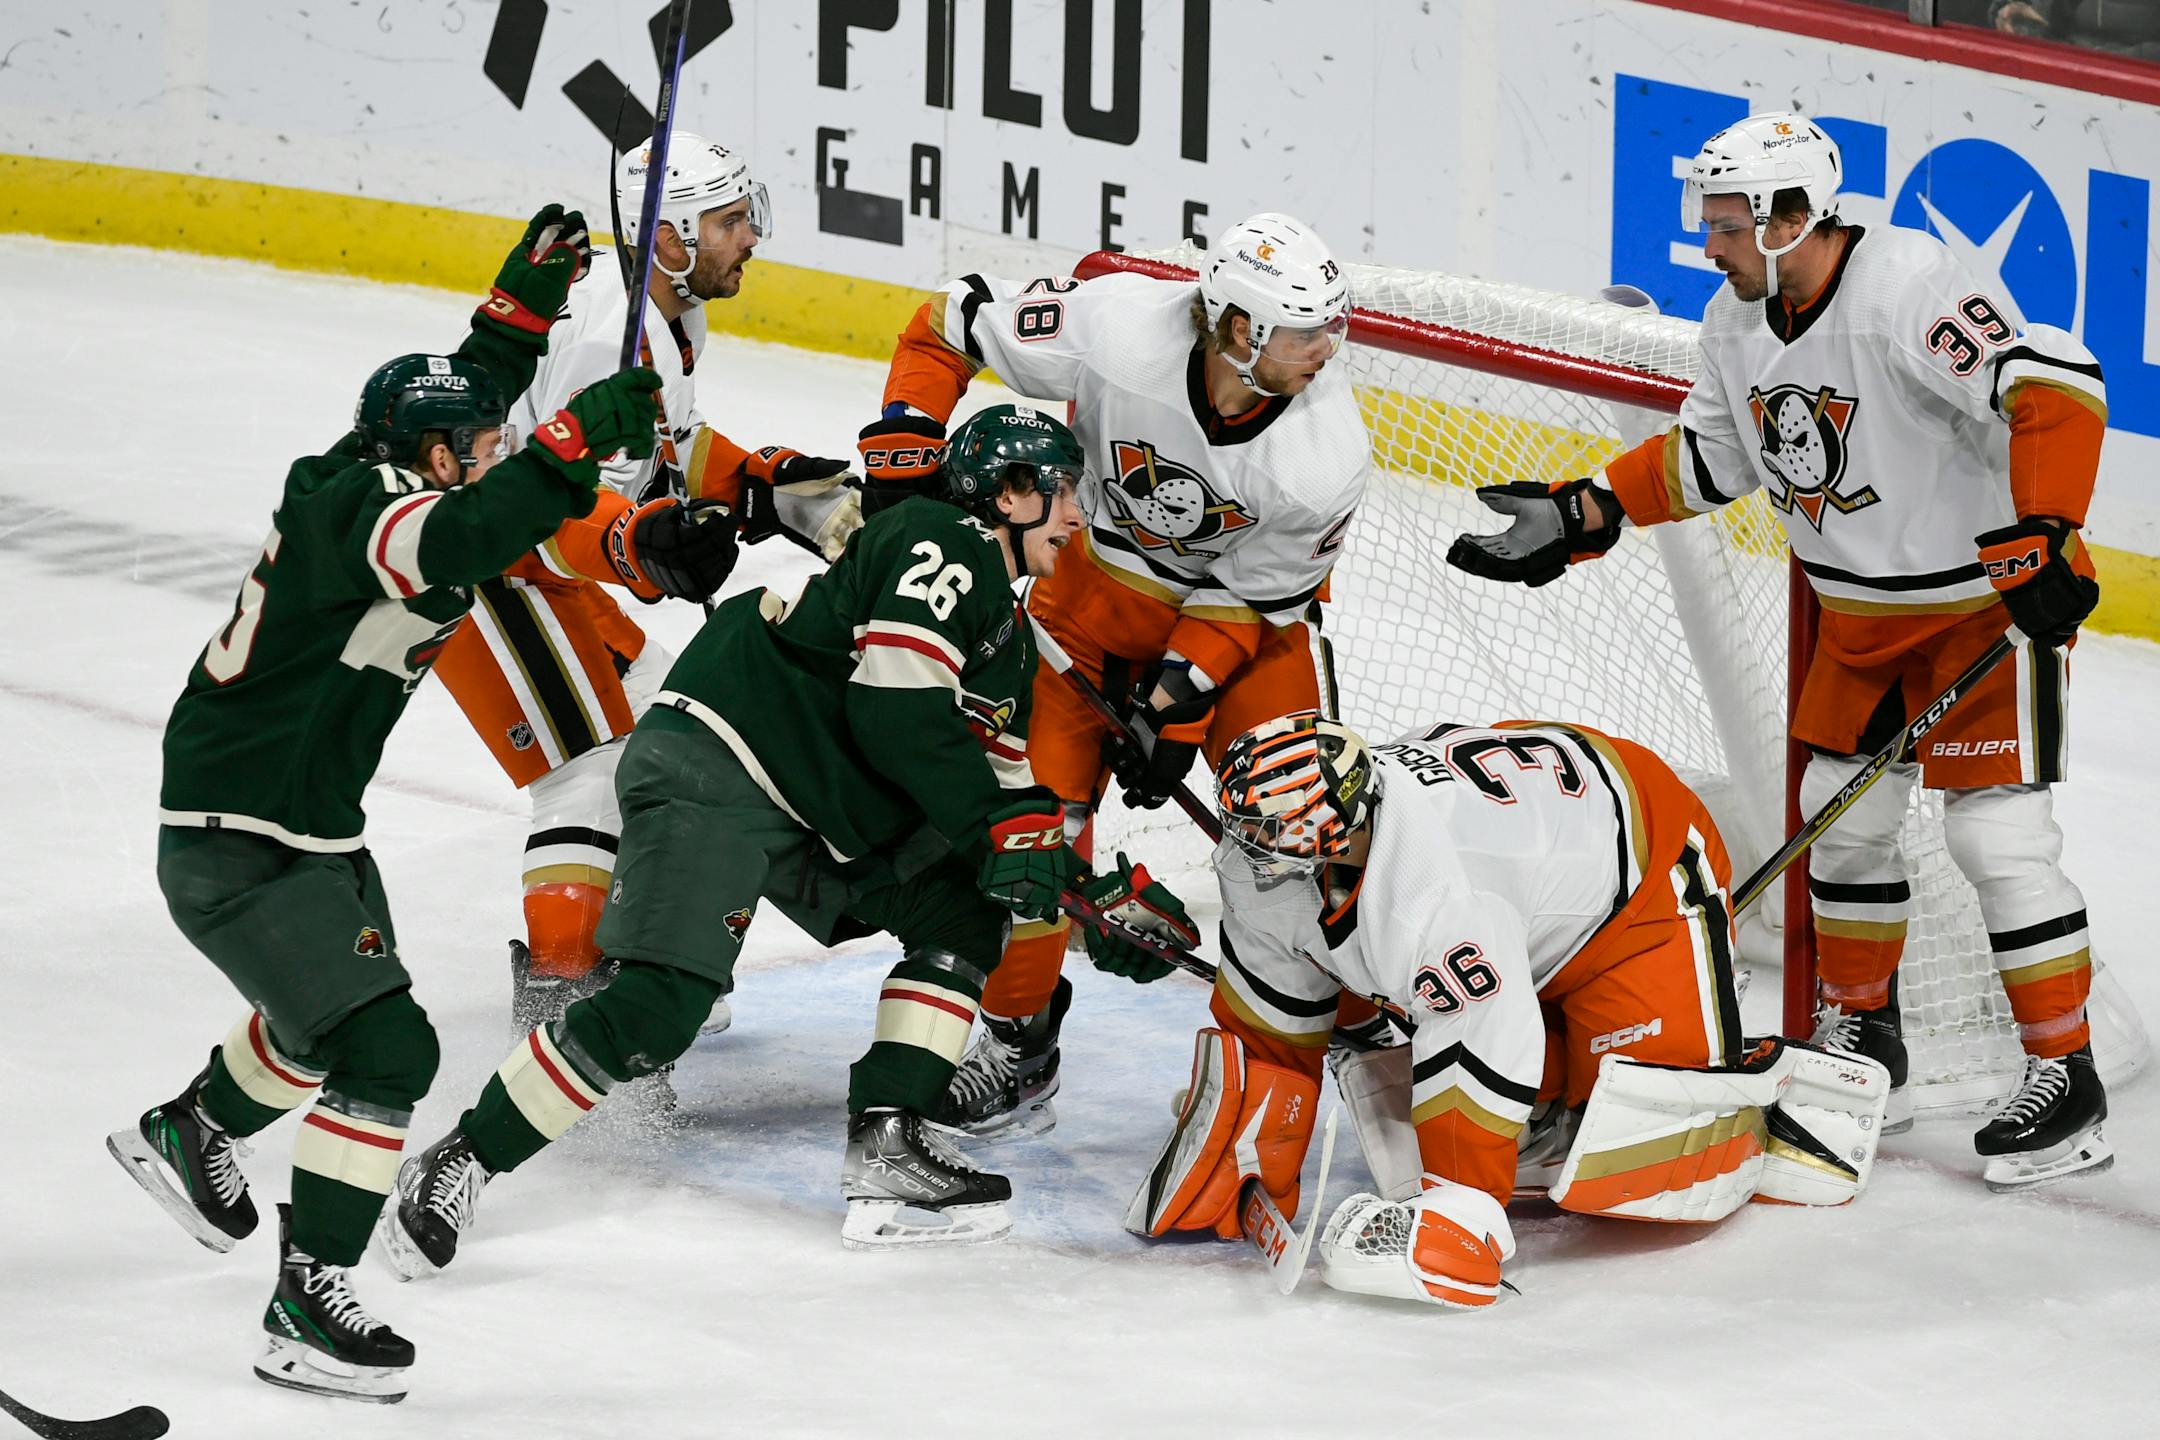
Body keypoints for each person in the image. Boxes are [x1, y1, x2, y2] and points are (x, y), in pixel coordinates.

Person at [1448, 112, 2113, 1189]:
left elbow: (2055, 383)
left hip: (1977, 615)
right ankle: (1865, 1042)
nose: (1706, 244)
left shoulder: (1909, 284)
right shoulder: (1734, 320)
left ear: (1787, 217)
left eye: (1722, 223)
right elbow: (1712, 458)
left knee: (2000, 844)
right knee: (1840, 832)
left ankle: (2065, 1076)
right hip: (1856, 622)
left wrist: (2045, 530)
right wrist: (1582, 512)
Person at [375, 405, 1197, 1266]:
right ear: (1011, 493)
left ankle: (888, 1139)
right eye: (1063, 494)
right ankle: (459, 1159)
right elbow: (897, 713)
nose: (1076, 517)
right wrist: (1015, 846)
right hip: (726, 759)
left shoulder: (1006, 642)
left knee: (965, 911)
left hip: (820, 806)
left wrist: (1086, 901)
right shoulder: (941, 539)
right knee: (662, 1007)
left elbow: (998, 807)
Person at [104, 204, 663, 1401]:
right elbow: (468, 528)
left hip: (301, 826)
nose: (492, 449)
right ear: (430, 453)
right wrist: (569, 448)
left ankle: (189, 1128)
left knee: (325, 1026)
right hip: (237, 836)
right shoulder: (367, 511)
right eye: (479, 439)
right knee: (387, 1045)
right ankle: (310, 1301)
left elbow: (464, 439)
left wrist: (519, 313)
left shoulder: (380, 471)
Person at [858, 212, 1373, 1140]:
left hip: (1243, 637)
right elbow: (947, 319)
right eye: (1305, 331)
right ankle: (1020, 1042)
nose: (1327, 352)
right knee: (1027, 835)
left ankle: (1339, 1034)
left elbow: (1254, 601)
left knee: (1302, 834)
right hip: (1083, 608)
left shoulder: (1325, 456)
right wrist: (904, 454)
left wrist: (1173, 702)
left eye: (1332, 327)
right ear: (1239, 329)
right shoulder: (1115, 328)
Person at [1124, 712, 1889, 1308]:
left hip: (1642, 862)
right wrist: (1255, 1130)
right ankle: (1563, 1076)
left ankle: (1766, 1097)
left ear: (1331, 836)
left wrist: (1461, 1206)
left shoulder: (1437, 886)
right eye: (1243, 828)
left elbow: (1484, 1031)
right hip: (1534, 847)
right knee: (1470, 1025)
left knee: (1645, 1156)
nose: (1244, 851)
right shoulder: (1299, 849)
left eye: (1267, 837)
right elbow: (1275, 1007)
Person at [430, 132, 862, 1035]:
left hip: (541, 569)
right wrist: (634, 543)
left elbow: (670, 448)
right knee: (591, 774)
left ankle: (643, 952)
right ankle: (562, 1003)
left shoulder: (670, 315)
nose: (751, 238)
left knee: (674, 724)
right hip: (487, 567)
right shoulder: (604, 333)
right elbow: (541, 506)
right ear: (668, 236)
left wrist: (763, 483)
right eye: (731, 221)